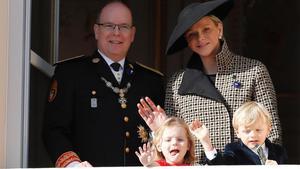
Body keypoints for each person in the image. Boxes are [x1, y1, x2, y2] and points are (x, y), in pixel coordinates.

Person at [137, 0, 281, 164]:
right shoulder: (177, 83)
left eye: (206, 29)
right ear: (187, 41)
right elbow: (172, 144)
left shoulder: (253, 70)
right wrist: (160, 128)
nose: (200, 38)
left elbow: (272, 130)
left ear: (219, 29)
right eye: (192, 34)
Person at [42, 0, 164, 167]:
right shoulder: (71, 74)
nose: (116, 33)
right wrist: (73, 165)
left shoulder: (151, 81)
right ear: (96, 31)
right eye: (109, 26)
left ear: (132, 34)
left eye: (124, 27)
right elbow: (54, 130)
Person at [190, 101, 288, 165]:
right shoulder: (234, 150)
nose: (253, 135)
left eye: (258, 130)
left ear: (268, 129)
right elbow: (221, 165)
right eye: (247, 131)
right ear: (238, 133)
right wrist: (206, 143)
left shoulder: (279, 152)